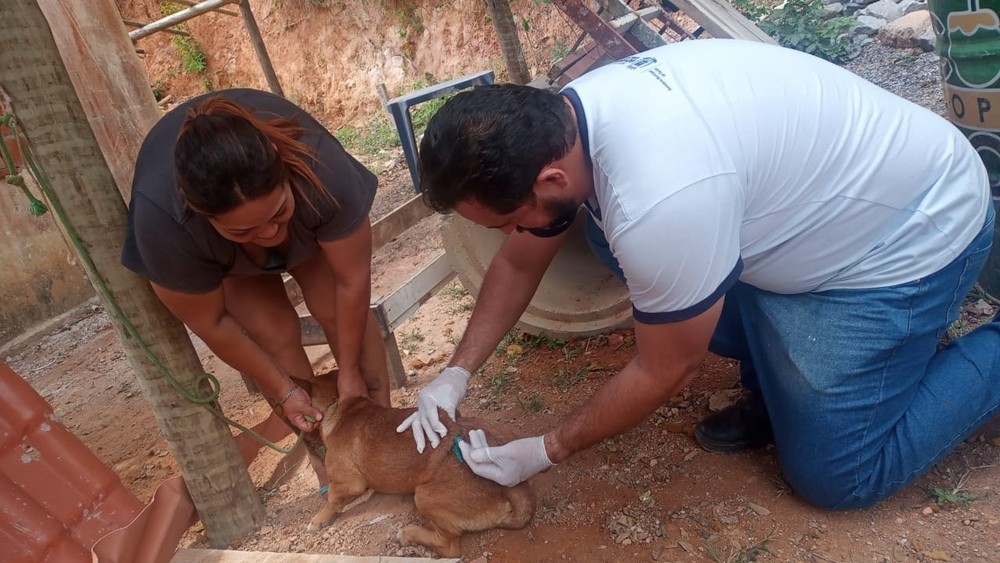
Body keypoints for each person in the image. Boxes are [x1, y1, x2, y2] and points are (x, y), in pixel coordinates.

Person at [397, 38, 1000, 510]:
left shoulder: (659, 197)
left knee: (840, 476)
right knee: (619, 250)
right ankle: (781, 385)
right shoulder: (568, 119)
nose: (510, 235)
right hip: (825, 208)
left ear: (550, 177)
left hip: (907, 241)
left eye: (506, 219)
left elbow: (668, 366)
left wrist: (545, 448)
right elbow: (521, 258)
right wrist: (455, 373)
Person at [122, 88, 390, 484]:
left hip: (307, 213)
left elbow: (351, 281)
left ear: (285, 173)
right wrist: (284, 392)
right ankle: (328, 467)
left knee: (332, 306)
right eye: (245, 228)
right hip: (225, 260)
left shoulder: (318, 167)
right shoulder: (166, 226)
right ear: (202, 217)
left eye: (278, 213)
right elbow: (214, 324)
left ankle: (383, 434)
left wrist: (349, 372)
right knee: (272, 330)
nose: (268, 233)